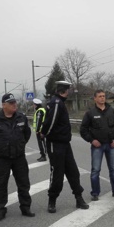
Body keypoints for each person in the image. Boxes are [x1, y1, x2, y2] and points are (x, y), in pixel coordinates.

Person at [39, 80, 88, 212]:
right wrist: (44, 133)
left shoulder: (59, 102)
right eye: (68, 90)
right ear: (64, 91)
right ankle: (52, 200)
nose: (69, 92)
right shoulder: (56, 103)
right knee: (57, 174)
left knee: (73, 172)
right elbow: (51, 121)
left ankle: (79, 198)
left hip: (64, 143)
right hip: (55, 143)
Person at [0, 94, 34, 221]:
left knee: (23, 183)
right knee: (1, 184)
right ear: (3, 105)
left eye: (15, 102)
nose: (14, 105)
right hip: (2, 158)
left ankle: (25, 207)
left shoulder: (21, 117)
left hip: (19, 157)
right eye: (11, 103)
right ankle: (0, 209)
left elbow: (26, 134)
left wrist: (20, 144)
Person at [80, 90, 114, 201]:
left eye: (104, 96)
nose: (102, 98)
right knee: (95, 170)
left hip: (111, 145)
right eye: (100, 96)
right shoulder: (90, 113)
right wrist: (91, 140)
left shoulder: (113, 112)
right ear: (95, 98)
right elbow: (83, 129)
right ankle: (95, 193)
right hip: (97, 146)